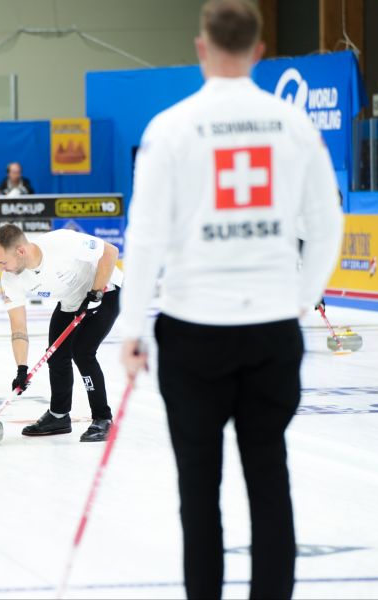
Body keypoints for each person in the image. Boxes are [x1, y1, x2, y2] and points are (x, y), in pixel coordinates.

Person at [117, 1, 343, 598]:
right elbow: (327, 224)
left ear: (201, 47)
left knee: (198, 490)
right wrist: (300, 300)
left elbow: (145, 237)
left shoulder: (170, 128)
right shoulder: (294, 125)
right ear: (259, 51)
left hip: (194, 331)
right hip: (271, 330)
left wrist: (132, 329)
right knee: (269, 478)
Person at [0, 225, 123, 442]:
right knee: (56, 354)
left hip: (106, 290)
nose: (1, 268)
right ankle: (59, 416)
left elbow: (110, 252)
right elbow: (18, 327)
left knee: (82, 352)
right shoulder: (11, 278)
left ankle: (103, 418)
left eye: (3, 262)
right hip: (71, 301)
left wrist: (95, 293)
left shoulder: (61, 242)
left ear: (20, 251)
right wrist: (21, 369)